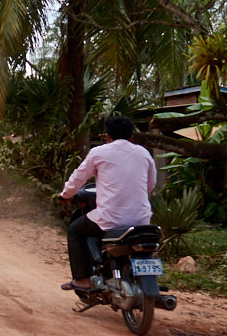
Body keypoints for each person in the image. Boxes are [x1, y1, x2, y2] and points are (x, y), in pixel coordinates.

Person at [58, 116, 156, 291]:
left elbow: (79, 177)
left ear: (107, 136)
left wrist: (65, 194)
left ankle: (82, 279)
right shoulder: (144, 153)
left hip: (110, 219)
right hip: (142, 220)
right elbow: (150, 185)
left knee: (74, 229)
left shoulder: (99, 153)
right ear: (132, 136)